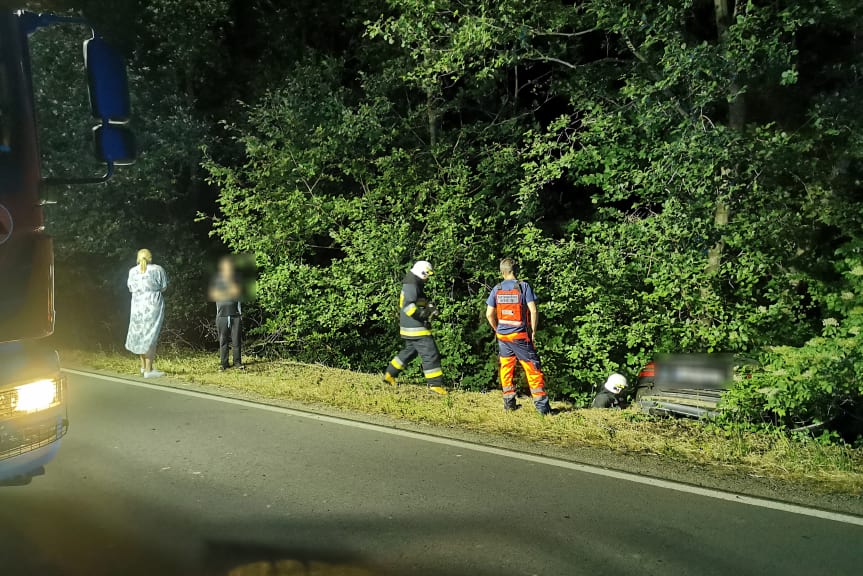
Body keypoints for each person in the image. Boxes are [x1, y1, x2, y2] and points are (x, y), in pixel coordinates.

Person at [485, 258, 550, 415]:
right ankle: (542, 409)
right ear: (516, 270)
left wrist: (497, 329)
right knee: (532, 368)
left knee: (506, 368)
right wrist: (533, 331)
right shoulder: (523, 287)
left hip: (503, 336)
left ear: (502, 272)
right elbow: (533, 310)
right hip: (519, 335)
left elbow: (489, 314)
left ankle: (509, 404)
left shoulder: (497, 288)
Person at [383, 260, 447, 395]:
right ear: (422, 273)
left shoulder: (414, 282)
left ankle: (390, 374)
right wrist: (422, 314)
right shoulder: (412, 284)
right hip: (416, 327)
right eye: (427, 274)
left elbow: (420, 300)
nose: (428, 278)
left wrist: (430, 307)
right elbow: (408, 306)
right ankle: (435, 385)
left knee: (410, 351)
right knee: (430, 353)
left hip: (408, 327)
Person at [125, 248, 168, 378]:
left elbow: (130, 288)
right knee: (151, 335)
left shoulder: (132, 271)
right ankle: (149, 370)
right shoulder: (158, 269)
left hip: (137, 305)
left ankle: (144, 367)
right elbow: (164, 286)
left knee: (140, 334)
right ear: (150, 257)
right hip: (152, 304)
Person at [209, 256, 244, 371]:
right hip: (222, 315)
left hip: (235, 315)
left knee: (236, 340)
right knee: (223, 341)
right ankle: (224, 364)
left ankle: (237, 363)